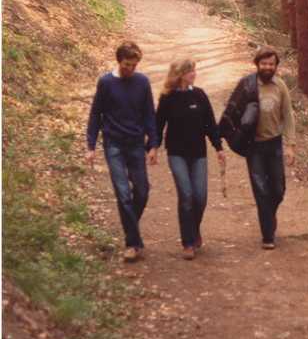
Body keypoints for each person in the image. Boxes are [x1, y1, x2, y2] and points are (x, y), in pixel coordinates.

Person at [86, 41, 156, 262]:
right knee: (123, 194)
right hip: (113, 144)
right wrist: (90, 146)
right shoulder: (106, 83)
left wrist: (153, 144)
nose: (131, 69)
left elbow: (149, 114)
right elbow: (96, 114)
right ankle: (133, 243)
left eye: (134, 65)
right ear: (119, 61)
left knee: (142, 191)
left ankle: (130, 229)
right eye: (127, 64)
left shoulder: (142, 82)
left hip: (135, 143)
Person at [219, 46, 295, 249]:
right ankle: (268, 235)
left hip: (274, 143)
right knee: (261, 190)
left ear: (276, 66)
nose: (268, 67)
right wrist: (232, 136)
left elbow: (288, 115)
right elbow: (232, 112)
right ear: (257, 64)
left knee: (278, 190)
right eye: (264, 63)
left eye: (271, 64)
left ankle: (269, 216)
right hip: (254, 146)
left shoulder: (280, 86)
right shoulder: (247, 85)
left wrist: (291, 145)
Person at [154, 59, 224, 260]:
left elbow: (210, 124)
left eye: (194, 70)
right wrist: (153, 148)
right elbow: (158, 125)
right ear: (181, 74)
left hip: (198, 154)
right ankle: (188, 242)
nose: (194, 74)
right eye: (190, 71)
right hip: (176, 153)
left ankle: (194, 229)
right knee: (186, 194)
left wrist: (218, 147)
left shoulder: (199, 95)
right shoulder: (168, 97)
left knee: (200, 197)